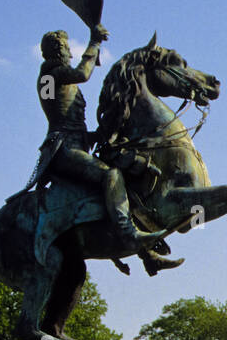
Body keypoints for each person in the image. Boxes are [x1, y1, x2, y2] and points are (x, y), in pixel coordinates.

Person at [32, 26, 178, 275]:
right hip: (62, 150)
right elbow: (83, 74)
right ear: (58, 51)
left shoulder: (56, 80)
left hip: (77, 144)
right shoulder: (50, 74)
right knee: (111, 176)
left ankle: (147, 253)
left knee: (124, 173)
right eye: (67, 47)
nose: (70, 51)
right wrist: (94, 43)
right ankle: (128, 231)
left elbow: (71, 120)